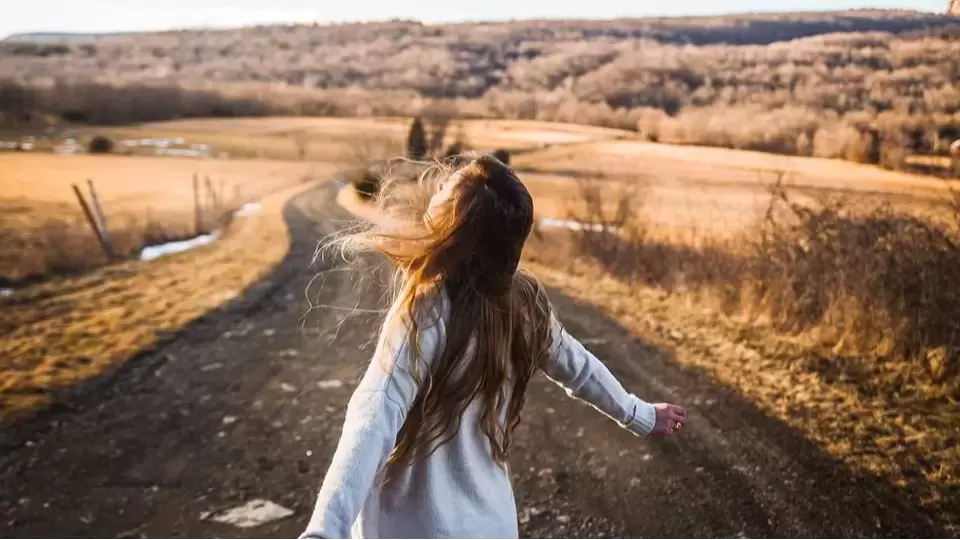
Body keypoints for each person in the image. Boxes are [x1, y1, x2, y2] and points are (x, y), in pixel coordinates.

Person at [301, 154, 686, 539]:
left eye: (446, 192)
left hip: (412, 525)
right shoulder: (522, 303)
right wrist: (641, 414)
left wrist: (325, 529)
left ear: (454, 229)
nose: (436, 190)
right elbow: (579, 367)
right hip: (492, 523)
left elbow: (374, 415)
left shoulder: (426, 311)